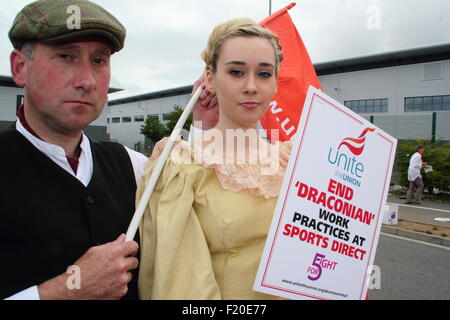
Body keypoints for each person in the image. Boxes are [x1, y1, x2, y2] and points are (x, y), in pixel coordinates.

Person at [1, 0, 151, 300]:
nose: (87, 81)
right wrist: (65, 291)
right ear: (20, 67)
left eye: (99, 61)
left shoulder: (135, 166)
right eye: (66, 56)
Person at [137, 18, 292, 299]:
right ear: (210, 79)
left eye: (264, 74)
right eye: (236, 72)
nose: (251, 86)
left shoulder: (292, 159)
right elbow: (181, 285)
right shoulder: (182, 166)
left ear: (275, 83)